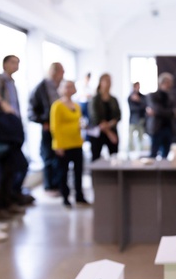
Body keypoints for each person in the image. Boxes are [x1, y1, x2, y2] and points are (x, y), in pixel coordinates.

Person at [0, 55, 33, 205]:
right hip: (5, 131)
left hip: (12, 128)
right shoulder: (1, 79)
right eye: (13, 62)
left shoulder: (11, 83)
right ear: (4, 64)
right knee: (8, 167)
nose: (16, 66)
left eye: (18, 63)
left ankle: (12, 197)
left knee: (16, 166)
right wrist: (3, 105)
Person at [50, 80, 89, 208]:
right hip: (63, 144)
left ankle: (79, 195)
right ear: (61, 89)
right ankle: (65, 197)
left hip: (76, 142)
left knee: (78, 171)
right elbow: (54, 127)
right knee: (63, 172)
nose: (69, 89)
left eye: (71, 87)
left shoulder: (77, 106)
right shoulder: (57, 106)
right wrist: (58, 145)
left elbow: (79, 121)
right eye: (66, 87)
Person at [28, 62, 64, 194]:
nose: (63, 75)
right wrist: (43, 122)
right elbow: (31, 111)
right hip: (48, 129)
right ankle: (49, 186)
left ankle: (58, 184)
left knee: (59, 157)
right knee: (48, 156)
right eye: (61, 72)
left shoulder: (60, 87)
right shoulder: (41, 87)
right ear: (54, 72)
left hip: (59, 129)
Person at [88, 73, 121, 161]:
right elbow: (95, 118)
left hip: (112, 129)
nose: (108, 83)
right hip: (98, 132)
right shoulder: (95, 99)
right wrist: (109, 133)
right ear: (100, 82)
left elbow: (118, 115)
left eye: (110, 81)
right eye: (106, 80)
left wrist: (110, 124)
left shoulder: (113, 99)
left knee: (114, 157)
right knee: (96, 158)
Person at [146, 72, 176, 159]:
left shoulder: (171, 97)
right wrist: (170, 113)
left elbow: (174, 113)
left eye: (170, 83)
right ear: (161, 82)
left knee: (165, 156)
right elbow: (158, 110)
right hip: (157, 128)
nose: (169, 85)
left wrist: (159, 112)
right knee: (153, 154)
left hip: (168, 129)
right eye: (167, 82)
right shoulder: (153, 95)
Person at [128, 81, 146, 153]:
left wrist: (139, 100)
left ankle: (141, 152)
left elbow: (145, 106)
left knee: (141, 137)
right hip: (133, 120)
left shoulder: (142, 97)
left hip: (141, 119)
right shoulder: (130, 97)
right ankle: (130, 151)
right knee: (130, 137)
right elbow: (132, 108)